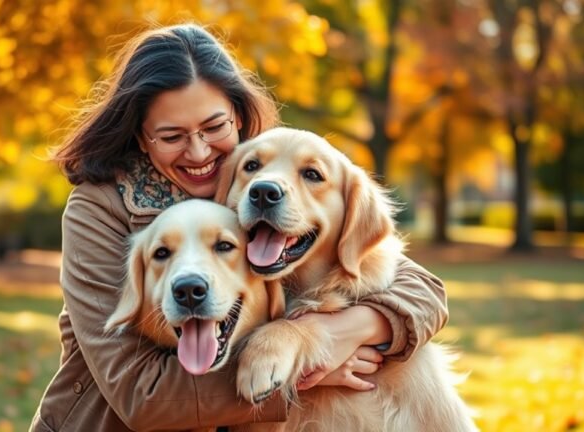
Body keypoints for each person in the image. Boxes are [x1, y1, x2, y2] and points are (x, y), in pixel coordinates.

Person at [30, 24, 448, 432]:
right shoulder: (99, 209)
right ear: (142, 137)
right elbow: (138, 394)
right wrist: (309, 370)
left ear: (238, 117)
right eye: (172, 136)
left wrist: (333, 332)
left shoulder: (259, 181)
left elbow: (420, 288)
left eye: (214, 127)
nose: (199, 153)